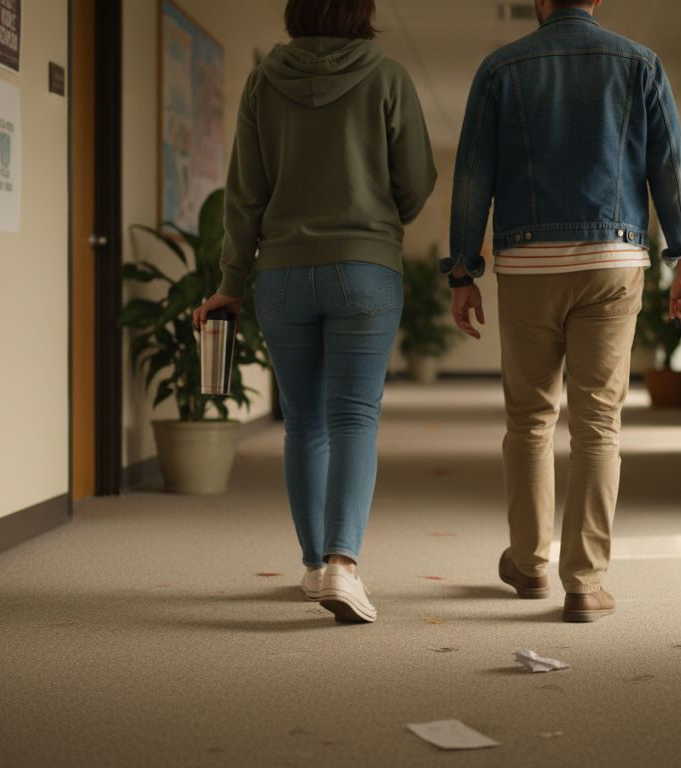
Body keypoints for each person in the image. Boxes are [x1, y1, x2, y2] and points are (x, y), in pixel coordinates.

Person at [444, 0, 681, 623]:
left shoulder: (501, 68)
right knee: (598, 423)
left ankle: (530, 564)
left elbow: (471, 174)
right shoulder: (640, 63)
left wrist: (462, 270)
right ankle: (584, 584)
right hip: (614, 262)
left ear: (539, 0)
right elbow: (670, 167)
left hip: (530, 266)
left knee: (531, 418)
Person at [194, 0, 436, 624]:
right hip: (365, 268)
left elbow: (245, 192)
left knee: (304, 421)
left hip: (280, 274)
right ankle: (342, 564)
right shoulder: (388, 78)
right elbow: (418, 178)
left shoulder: (262, 81)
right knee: (355, 416)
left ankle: (312, 567)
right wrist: (381, 216)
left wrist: (229, 282)